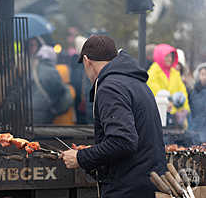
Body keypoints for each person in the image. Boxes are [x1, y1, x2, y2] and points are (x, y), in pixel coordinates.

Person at [61, 35, 166, 198]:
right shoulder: (136, 82)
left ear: (87, 61)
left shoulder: (110, 88)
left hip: (127, 188)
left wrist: (81, 158)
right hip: (147, 184)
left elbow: (123, 141)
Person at [147, 44, 190, 128]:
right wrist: (168, 103)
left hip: (175, 118)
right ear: (160, 56)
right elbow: (155, 91)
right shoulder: (152, 73)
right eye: (166, 56)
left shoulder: (175, 73)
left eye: (171, 57)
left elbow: (183, 92)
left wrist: (184, 110)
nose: (169, 59)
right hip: (159, 117)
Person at [188, 63, 206, 140]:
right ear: (198, 76)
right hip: (196, 130)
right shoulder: (192, 92)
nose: (205, 77)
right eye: (203, 74)